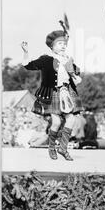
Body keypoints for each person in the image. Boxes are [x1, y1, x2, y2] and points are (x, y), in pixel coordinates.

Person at [21, 26, 83, 160]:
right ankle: (51, 148)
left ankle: (63, 148)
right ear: (52, 46)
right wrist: (26, 52)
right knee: (56, 122)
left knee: (71, 119)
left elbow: (76, 73)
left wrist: (77, 76)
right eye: (59, 44)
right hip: (52, 93)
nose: (63, 46)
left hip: (67, 92)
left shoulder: (68, 59)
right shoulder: (46, 59)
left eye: (64, 44)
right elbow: (28, 65)